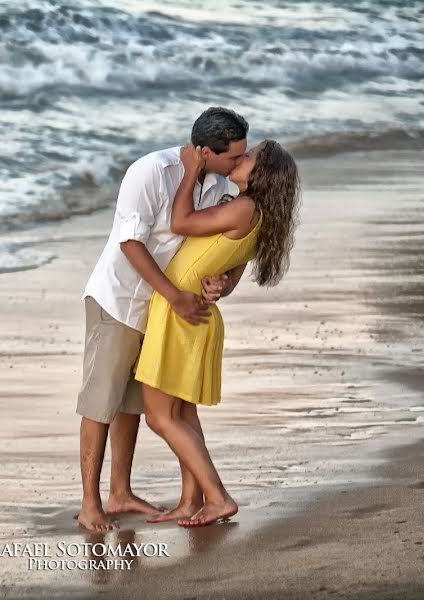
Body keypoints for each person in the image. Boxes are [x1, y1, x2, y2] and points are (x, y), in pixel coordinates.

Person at [76, 107, 251, 532]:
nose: (237, 167)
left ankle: (120, 492)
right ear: (204, 152)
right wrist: (174, 296)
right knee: (101, 402)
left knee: (131, 402)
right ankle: (89, 504)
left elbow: (217, 252)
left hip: (161, 308)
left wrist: (220, 286)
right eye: (232, 158)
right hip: (119, 300)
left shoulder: (219, 186)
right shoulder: (151, 171)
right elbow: (130, 244)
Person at [137, 139, 300, 527]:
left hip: (180, 314)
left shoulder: (244, 208)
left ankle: (218, 496)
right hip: (197, 311)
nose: (240, 159)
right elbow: (229, 278)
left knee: (160, 418)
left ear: (262, 173)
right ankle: (190, 500)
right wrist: (219, 287)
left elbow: (180, 223)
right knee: (183, 414)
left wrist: (193, 168)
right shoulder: (257, 215)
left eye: (248, 157)